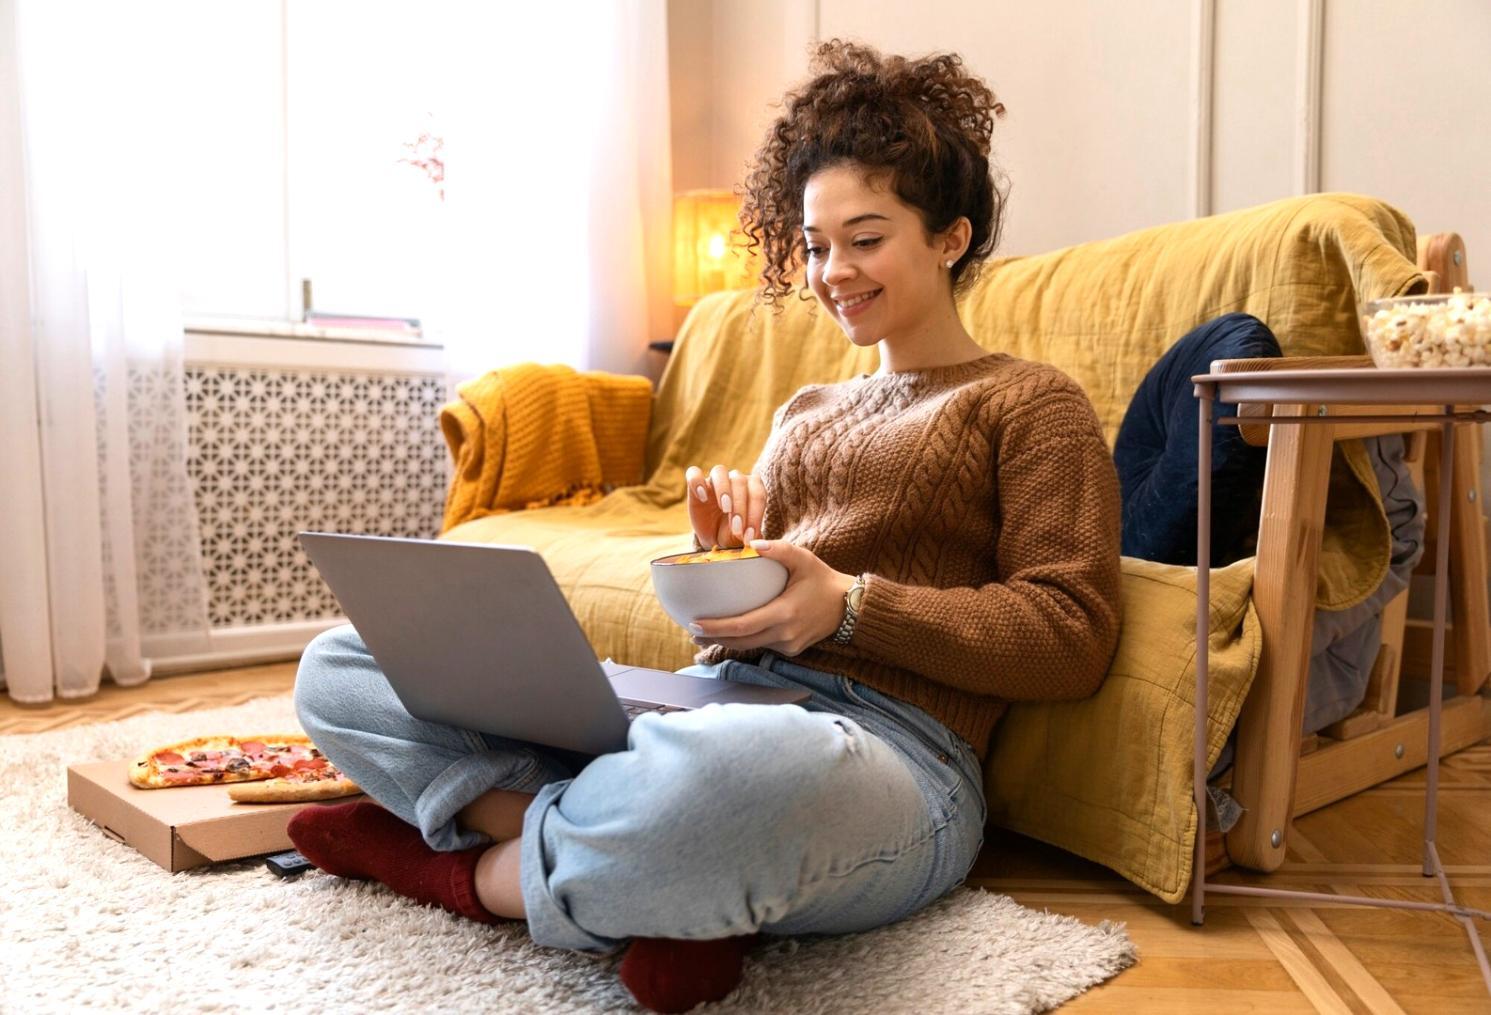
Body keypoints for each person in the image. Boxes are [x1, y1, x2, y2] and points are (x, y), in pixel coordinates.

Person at [287, 39, 1122, 1013]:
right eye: (814, 244)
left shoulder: (1031, 404)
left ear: (951, 236)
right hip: (712, 709)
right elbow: (739, 635)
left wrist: (846, 609)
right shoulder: (808, 408)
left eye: (865, 237)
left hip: (883, 754)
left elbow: (1071, 635)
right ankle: (653, 876)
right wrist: (724, 572)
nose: (832, 271)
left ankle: (464, 870)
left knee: (732, 776)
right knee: (341, 665)